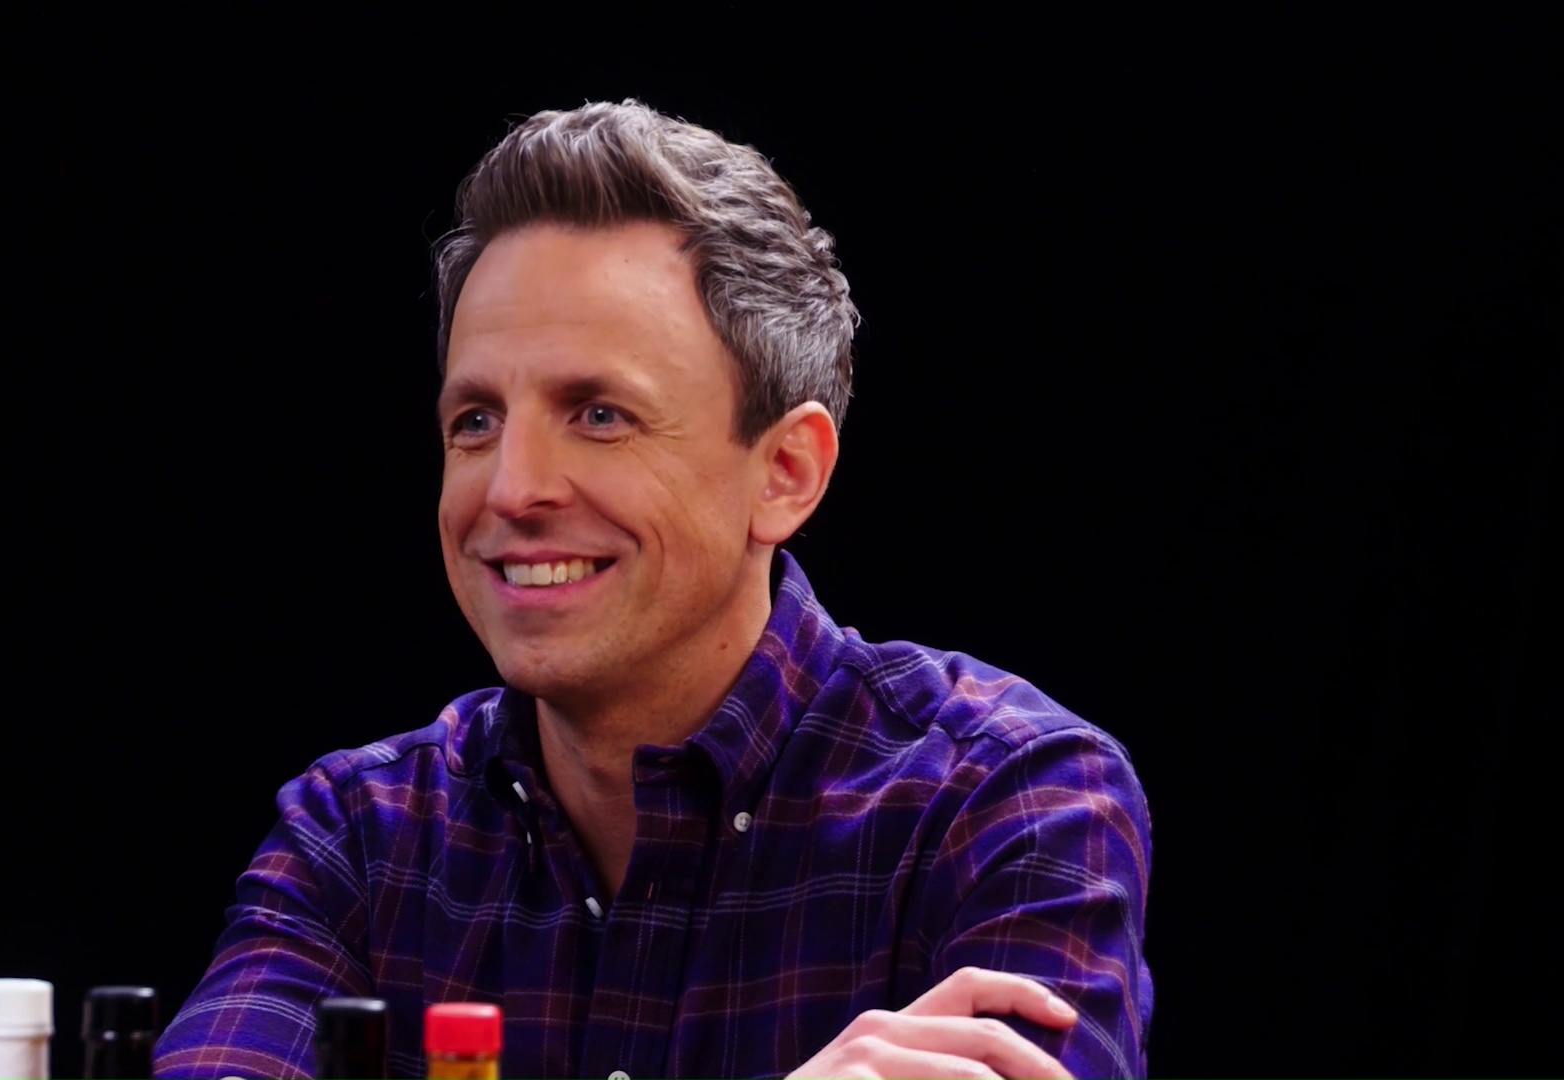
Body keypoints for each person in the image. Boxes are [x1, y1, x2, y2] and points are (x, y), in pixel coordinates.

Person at [152, 99, 1153, 1080]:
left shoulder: (1007, 798)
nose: (511, 490)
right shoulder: (359, 837)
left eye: (598, 415)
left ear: (785, 472)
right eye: (476, 421)